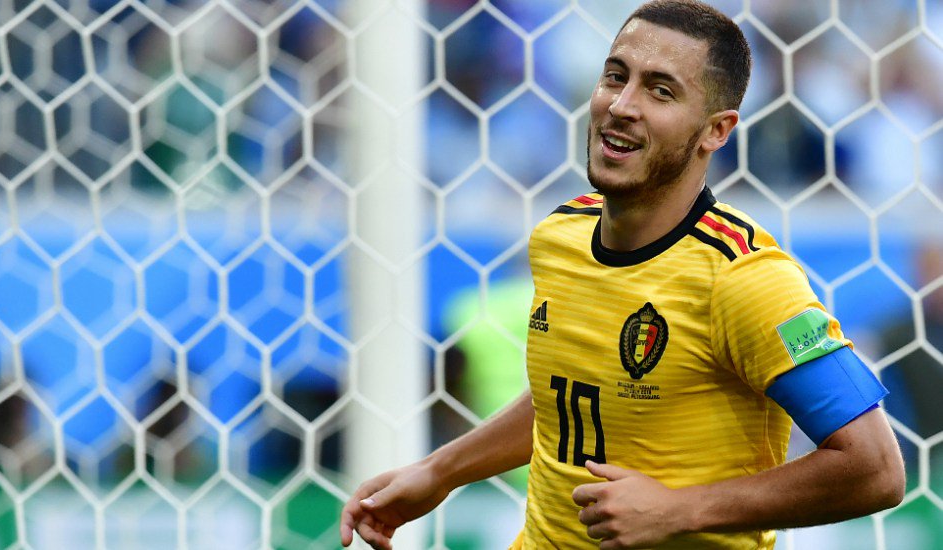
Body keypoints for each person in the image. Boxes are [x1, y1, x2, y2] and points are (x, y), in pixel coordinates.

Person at [340, 1, 906, 548]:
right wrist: (439, 472)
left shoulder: (746, 279)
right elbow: (569, 395)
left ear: (716, 130)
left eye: (661, 91)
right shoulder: (560, 236)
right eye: (616, 77)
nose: (622, 105)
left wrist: (680, 510)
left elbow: (876, 468)